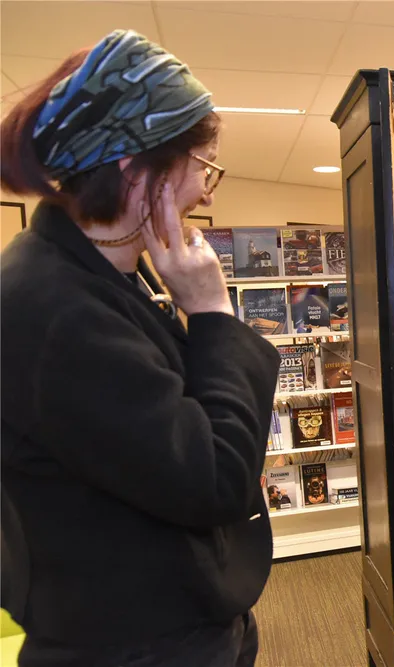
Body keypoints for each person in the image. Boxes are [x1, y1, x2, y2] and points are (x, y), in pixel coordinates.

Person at [0, 30, 280, 667]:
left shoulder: (97, 272)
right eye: (203, 166)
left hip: (173, 622)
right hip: (135, 646)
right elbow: (215, 478)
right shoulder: (54, 308)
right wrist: (211, 312)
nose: (208, 191)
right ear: (134, 168)